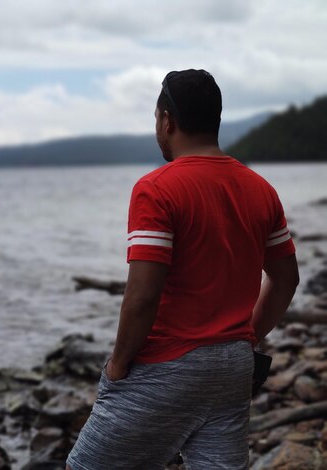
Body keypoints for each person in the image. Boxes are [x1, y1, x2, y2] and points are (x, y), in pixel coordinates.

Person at [65, 69, 299, 469]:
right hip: (233, 368)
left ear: (166, 120)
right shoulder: (261, 189)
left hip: (166, 364)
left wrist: (119, 365)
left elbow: (143, 294)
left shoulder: (156, 189)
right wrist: (246, 338)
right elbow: (286, 279)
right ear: (216, 120)